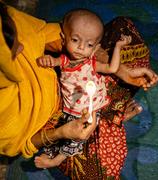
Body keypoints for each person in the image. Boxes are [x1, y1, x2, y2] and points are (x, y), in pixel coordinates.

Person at [0, 2, 158, 179]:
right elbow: (24, 144)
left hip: (95, 97)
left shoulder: (4, 18)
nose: (21, 47)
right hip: (61, 120)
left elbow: (47, 34)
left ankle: (113, 114)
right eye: (12, 48)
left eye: (14, 34)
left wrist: (124, 71)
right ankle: (111, 117)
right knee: (99, 172)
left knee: (123, 29)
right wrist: (62, 132)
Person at [33, 9, 132, 168]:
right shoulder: (64, 61)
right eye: (75, 40)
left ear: (95, 48)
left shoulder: (92, 62)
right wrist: (48, 60)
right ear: (63, 39)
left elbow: (112, 68)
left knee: (80, 137)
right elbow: (54, 61)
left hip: (97, 106)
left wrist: (118, 47)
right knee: (69, 135)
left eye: (89, 44)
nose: (81, 47)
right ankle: (55, 157)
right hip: (75, 112)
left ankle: (56, 160)